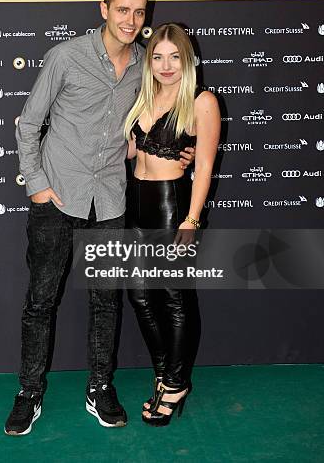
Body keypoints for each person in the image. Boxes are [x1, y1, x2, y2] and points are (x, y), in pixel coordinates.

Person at [4, 0, 196, 434]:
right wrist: (38, 187)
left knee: (106, 304)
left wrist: (173, 148)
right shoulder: (66, 57)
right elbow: (28, 123)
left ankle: (99, 388)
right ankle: (29, 393)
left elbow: (152, 123)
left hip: (109, 200)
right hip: (57, 198)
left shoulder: (143, 68)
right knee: (40, 302)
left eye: (139, 11)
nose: (130, 20)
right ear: (104, 9)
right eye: (123, 9)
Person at [124, 22, 220, 426]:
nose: (165, 65)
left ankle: (177, 383)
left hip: (171, 203)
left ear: (188, 60)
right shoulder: (142, 95)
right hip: (135, 202)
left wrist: (192, 218)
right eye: (158, 56)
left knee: (175, 298)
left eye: (174, 57)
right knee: (141, 298)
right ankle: (165, 373)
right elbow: (128, 152)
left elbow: (205, 166)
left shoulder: (202, 101)